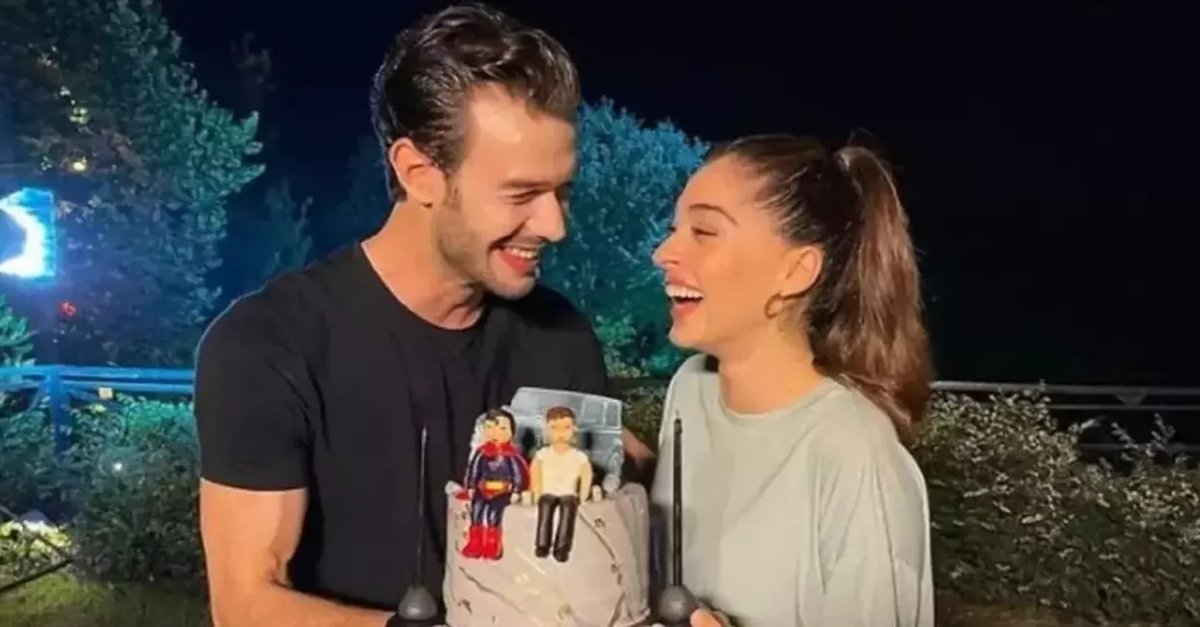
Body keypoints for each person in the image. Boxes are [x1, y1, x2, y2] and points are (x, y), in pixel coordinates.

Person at [193, 4, 647, 626]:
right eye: (521, 194)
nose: (553, 225)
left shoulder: (563, 335)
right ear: (419, 173)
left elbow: (582, 546)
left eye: (561, 191)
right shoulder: (267, 344)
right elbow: (246, 604)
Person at [649, 134, 935, 627]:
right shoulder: (689, 392)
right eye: (674, 229)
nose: (663, 253)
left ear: (796, 271)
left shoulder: (854, 454)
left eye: (705, 232)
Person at [459, 408, 528, 560]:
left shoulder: (511, 455)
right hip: (482, 489)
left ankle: (492, 544)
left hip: (502, 491)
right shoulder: (481, 452)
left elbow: (517, 474)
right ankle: (475, 543)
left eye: (502, 428)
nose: (497, 433)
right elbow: (474, 470)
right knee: (476, 512)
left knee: (493, 515)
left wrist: (516, 490)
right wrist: (471, 486)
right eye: (490, 427)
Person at [530, 405, 592, 562]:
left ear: (574, 429)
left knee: (568, 509)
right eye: (554, 428)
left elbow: (586, 475)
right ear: (547, 430)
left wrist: (583, 495)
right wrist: (536, 492)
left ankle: (562, 548)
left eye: (566, 427)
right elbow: (535, 472)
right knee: (545, 507)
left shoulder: (578, 456)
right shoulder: (543, 454)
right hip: (548, 492)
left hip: (568, 493)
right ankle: (542, 544)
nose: (560, 433)